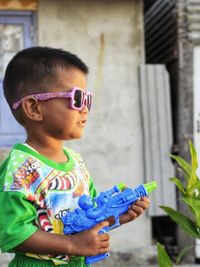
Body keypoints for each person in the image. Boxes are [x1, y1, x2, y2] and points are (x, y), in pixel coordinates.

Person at [0, 46, 150, 267]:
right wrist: (71, 245)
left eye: (88, 99)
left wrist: (115, 217)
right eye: (77, 98)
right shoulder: (21, 167)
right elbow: (11, 232)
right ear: (33, 108)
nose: (85, 109)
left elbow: (89, 217)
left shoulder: (76, 162)